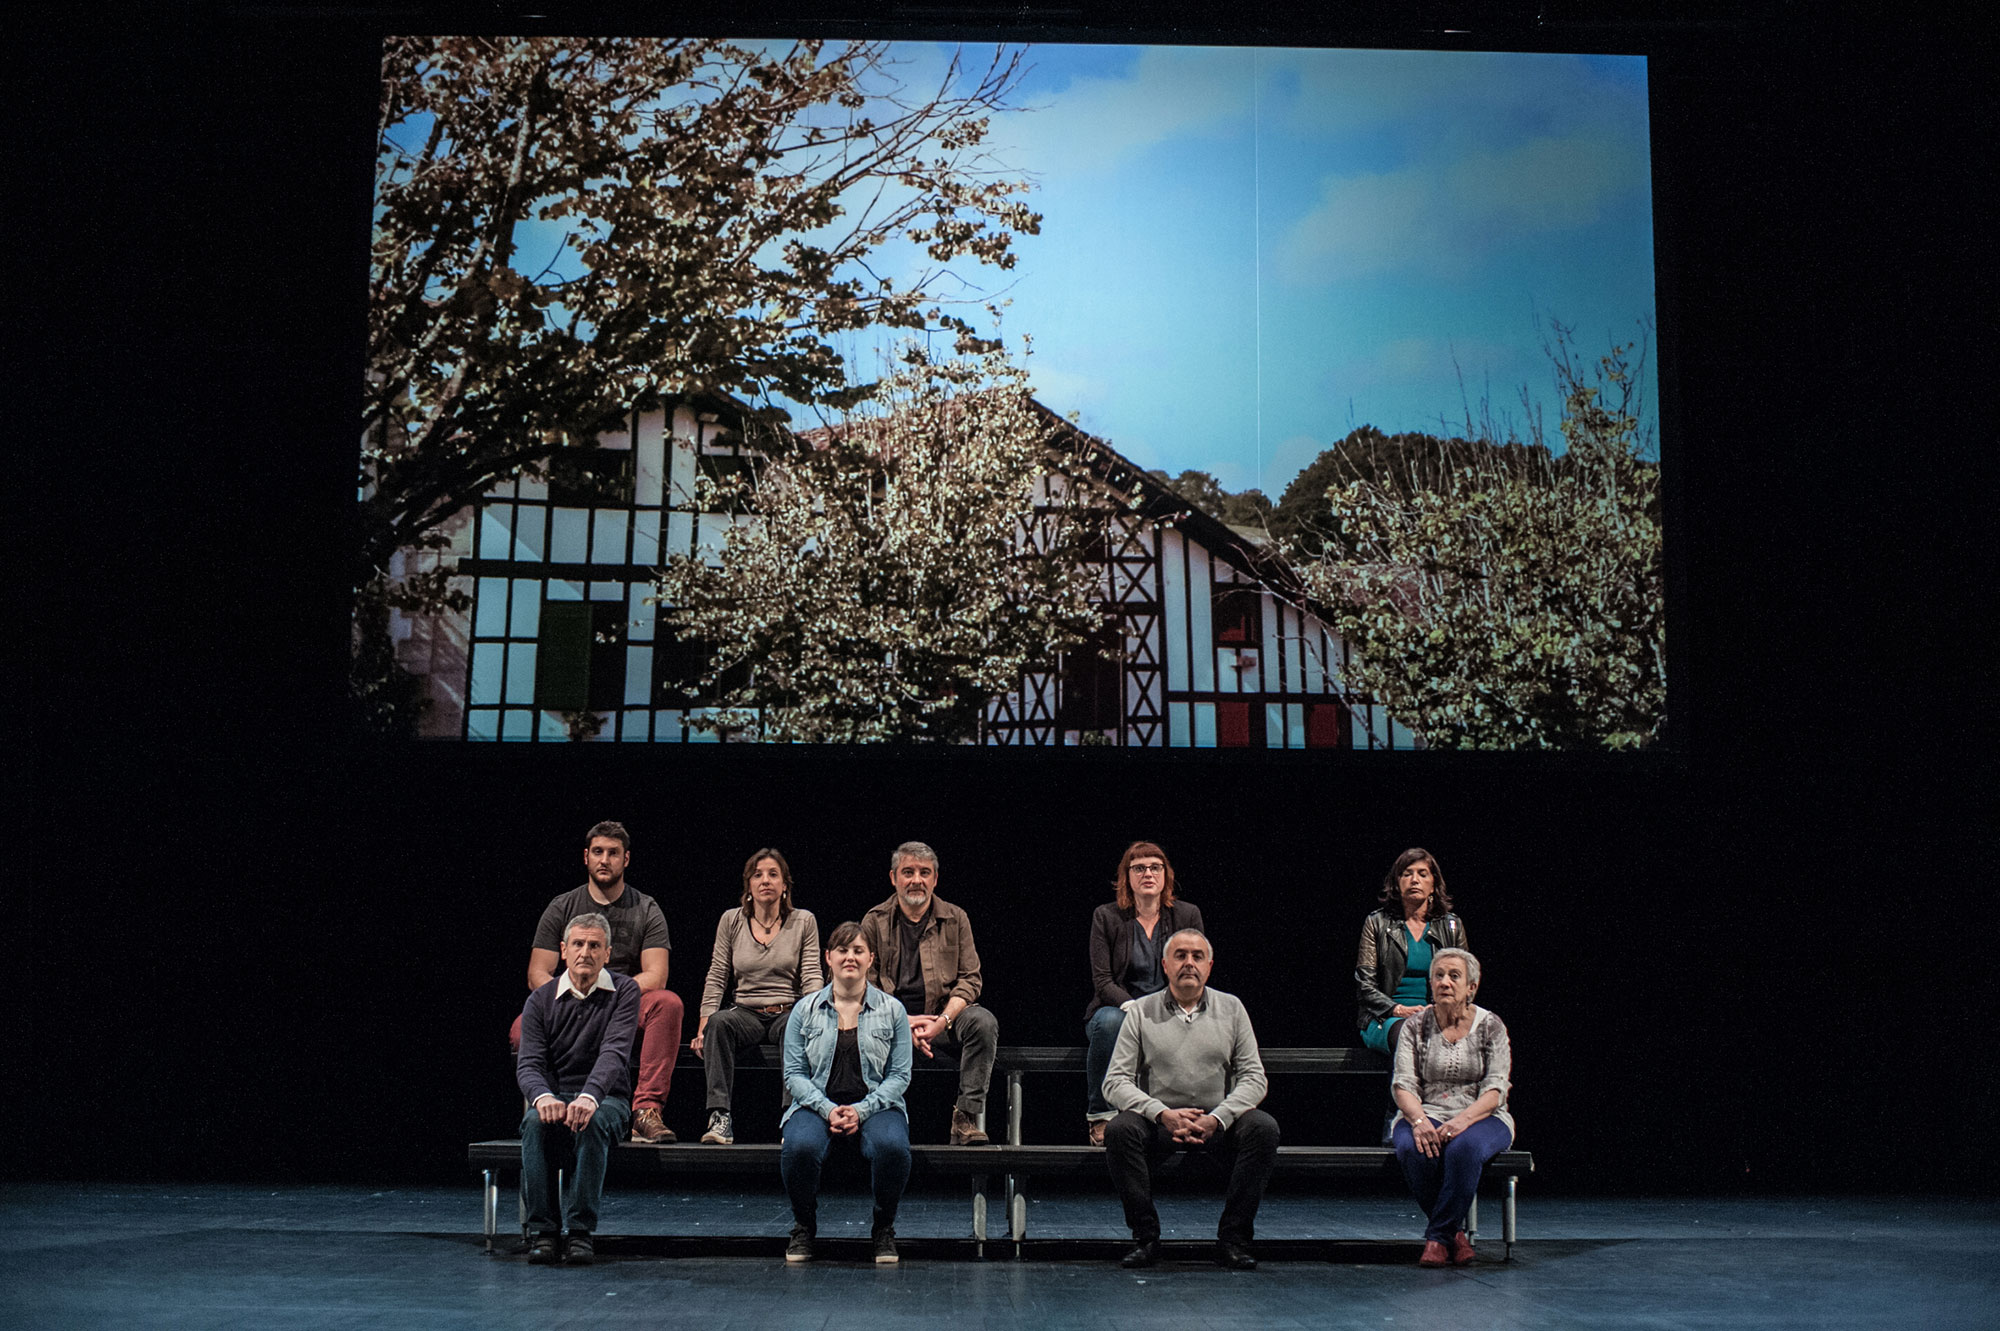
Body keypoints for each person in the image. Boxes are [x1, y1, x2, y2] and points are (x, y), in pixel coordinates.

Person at [1101, 928, 1279, 1271]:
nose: (1189, 963)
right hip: (1160, 1122)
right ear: (1165, 965)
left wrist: (1219, 1117)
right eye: (1180, 956)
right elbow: (1115, 1081)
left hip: (1218, 1121)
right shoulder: (1141, 1011)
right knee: (1120, 1129)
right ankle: (1146, 1238)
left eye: (1197, 957)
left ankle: (1233, 1239)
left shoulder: (1232, 1008)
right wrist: (1162, 1113)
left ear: (1209, 966)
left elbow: (1254, 1078)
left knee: (1263, 1127)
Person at [514, 821, 686, 1143]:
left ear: (626, 859)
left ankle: (646, 1112)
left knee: (668, 1004)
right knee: (520, 1028)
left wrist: (614, 995)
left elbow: (656, 974)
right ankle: (549, 1102)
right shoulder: (561, 907)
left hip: (624, 1002)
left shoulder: (646, 908)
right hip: (570, 1000)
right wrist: (577, 993)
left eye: (613, 853)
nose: (604, 859)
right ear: (586, 857)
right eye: (598, 852)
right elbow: (538, 973)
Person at [779, 921, 914, 1265]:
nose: (850, 957)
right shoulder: (804, 1010)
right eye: (842, 950)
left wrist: (862, 1111)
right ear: (828, 957)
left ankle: (884, 1227)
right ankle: (804, 1227)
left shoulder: (893, 1010)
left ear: (871, 958)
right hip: (816, 1106)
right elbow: (794, 1074)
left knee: (892, 1147)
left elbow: (899, 1076)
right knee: (800, 1147)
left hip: (877, 1105)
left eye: (858, 950)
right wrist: (827, 1109)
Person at [516, 913, 637, 1266]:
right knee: (534, 1124)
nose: (586, 952)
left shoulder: (624, 992)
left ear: (607, 953)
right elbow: (529, 1064)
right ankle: (545, 1232)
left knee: (593, 1120)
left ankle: (581, 1232)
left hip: (607, 1098)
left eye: (595, 945)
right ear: (564, 951)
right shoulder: (540, 1000)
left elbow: (615, 1052)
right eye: (579, 944)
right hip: (556, 1096)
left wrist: (589, 1096)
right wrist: (543, 1097)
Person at [860, 841, 998, 1146]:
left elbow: (970, 979)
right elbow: (863, 982)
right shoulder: (875, 920)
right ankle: (870, 1117)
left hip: (944, 1018)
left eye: (924, 872)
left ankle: (965, 1118)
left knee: (983, 1022)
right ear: (893, 877)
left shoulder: (956, 918)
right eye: (908, 872)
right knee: (856, 1021)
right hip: (890, 1021)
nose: (916, 879)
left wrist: (942, 1021)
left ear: (935, 879)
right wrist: (902, 1021)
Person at [1390, 946, 1514, 1268]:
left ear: (1471, 986)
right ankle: (1455, 1236)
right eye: (1439, 976)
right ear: (1430, 984)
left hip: (1484, 1115)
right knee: (1412, 1148)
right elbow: (1403, 1084)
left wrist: (1463, 1121)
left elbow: (1496, 1088)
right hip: (1425, 1110)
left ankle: (1436, 1239)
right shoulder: (1415, 1027)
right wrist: (1418, 1120)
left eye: (1454, 976)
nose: (1445, 982)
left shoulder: (1491, 1026)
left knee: (1463, 1149)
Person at [692, 848, 824, 1145]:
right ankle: (719, 1117)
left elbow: (813, 975)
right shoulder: (732, 920)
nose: (765, 880)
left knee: (796, 1026)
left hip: (787, 1009)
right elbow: (717, 975)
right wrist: (704, 1023)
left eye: (773, 874)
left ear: (785, 885)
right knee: (718, 1023)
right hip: (746, 1013)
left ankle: (793, 1116)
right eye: (758, 874)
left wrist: (817, 1014)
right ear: (748, 885)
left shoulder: (803, 921)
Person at [1084, 841, 1206, 1145]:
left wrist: (1166, 1007)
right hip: (1121, 1010)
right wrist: (1135, 1008)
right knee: (1108, 1022)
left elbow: (1195, 970)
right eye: (1139, 868)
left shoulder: (1186, 915)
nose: (1147, 874)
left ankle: (1191, 1117)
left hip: (1172, 1008)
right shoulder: (1106, 916)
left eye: (1155, 867)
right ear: (1127, 877)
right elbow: (1103, 980)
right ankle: (1101, 1116)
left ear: (1166, 875)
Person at [1355, 848, 1468, 1055]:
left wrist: (1438, 1011)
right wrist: (1398, 1010)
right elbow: (1365, 986)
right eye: (1407, 874)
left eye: (1422, 874)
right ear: (1397, 884)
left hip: (1438, 1016)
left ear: (1433, 884)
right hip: (1385, 1017)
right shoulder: (1377, 923)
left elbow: (1463, 983)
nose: (1414, 880)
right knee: (1410, 1036)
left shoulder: (1451, 926)